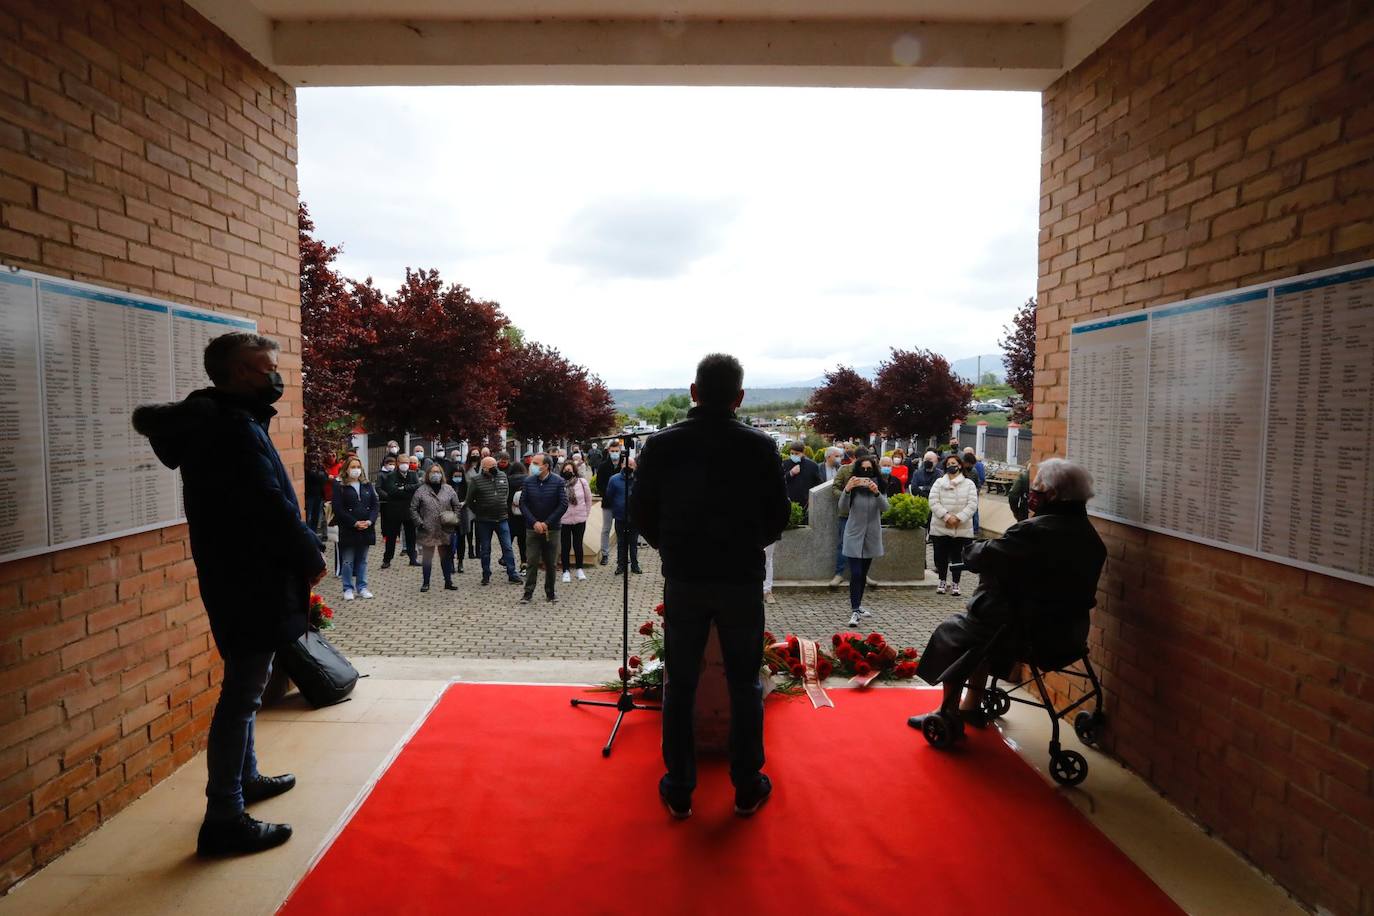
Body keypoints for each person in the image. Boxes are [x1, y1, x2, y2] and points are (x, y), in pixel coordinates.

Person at [132, 331, 317, 856]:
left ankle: (248, 778)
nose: (275, 377)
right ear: (238, 374)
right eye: (266, 368)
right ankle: (224, 816)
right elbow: (268, 503)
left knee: (246, 687)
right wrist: (309, 551)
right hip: (250, 579)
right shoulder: (233, 427)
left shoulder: (216, 420)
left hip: (234, 575)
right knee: (241, 695)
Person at [631, 353, 790, 821]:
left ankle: (679, 788)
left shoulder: (661, 446)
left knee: (679, 683)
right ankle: (746, 786)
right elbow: (778, 517)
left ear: (694, 392)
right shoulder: (760, 447)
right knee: (744, 683)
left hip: (685, 578)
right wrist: (748, 545)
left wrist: (669, 548)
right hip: (741, 579)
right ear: (739, 398)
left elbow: (642, 513)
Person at [908, 459, 1106, 736]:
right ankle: (971, 705)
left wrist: (971, 552)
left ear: (1051, 493)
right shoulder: (1090, 536)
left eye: (1036, 487)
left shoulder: (1033, 531)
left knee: (954, 633)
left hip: (1024, 632)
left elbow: (986, 554)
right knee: (982, 634)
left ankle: (948, 711)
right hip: (1069, 633)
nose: (1032, 493)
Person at [838, 455, 889, 627]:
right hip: (853, 534)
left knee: (863, 574)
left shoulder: (879, 486)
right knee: (857, 573)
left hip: (871, 535)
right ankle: (854, 610)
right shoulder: (853, 486)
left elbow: (885, 508)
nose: (866, 472)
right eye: (863, 469)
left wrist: (876, 492)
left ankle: (858, 606)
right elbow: (842, 508)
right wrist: (847, 490)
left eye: (869, 469)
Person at [520, 454, 568, 604]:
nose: (532, 465)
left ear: (546, 466)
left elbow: (563, 504)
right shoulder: (528, 481)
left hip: (552, 529)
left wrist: (547, 523)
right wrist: (534, 522)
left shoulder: (558, 481)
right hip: (532, 528)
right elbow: (523, 504)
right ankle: (528, 593)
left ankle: (550, 593)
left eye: (535, 463)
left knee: (551, 562)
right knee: (532, 561)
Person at [929, 453, 978, 596]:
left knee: (957, 556)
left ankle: (956, 583)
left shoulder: (969, 484)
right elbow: (933, 501)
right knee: (940, 556)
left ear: (960, 465)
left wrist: (958, 518)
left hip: (961, 527)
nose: (952, 466)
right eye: (949, 464)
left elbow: (972, 504)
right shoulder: (939, 483)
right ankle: (942, 580)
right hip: (941, 526)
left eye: (954, 463)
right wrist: (946, 516)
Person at [409, 460, 461, 592]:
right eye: (433, 472)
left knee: (446, 557)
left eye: (438, 472)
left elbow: (457, 506)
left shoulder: (448, 489)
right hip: (428, 529)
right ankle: (426, 582)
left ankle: (448, 581)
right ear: (428, 474)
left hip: (445, 529)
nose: (435, 474)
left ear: (442, 474)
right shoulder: (421, 490)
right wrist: (420, 523)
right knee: (427, 558)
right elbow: (413, 508)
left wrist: (454, 518)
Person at [332, 455, 378, 601]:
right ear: (346, 469)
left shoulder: (367, 485)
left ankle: (362, 587)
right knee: (347, 560)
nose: (356, 470)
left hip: (366, 528)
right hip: (348, 529)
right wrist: (354, 523)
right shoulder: (340, 486)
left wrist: (370, 521)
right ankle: (347, 588)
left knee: (363, 559)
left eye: (358, 467)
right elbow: (338, 509)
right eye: (353, 467)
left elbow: (375, 505)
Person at [469, 456, 521, 585]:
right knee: (485, 549)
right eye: (491, 466)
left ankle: (512, 573)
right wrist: (479, 511)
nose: (494, 468)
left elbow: (506, 493)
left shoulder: (502, 476)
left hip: (502, 518)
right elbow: (470, 500)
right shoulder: (476, 480)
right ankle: (486, 574)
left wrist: (502, 504)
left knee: (507, 547)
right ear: (484, 468)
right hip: (484, 521)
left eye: (495, 465)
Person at [827, 446, 871, 588]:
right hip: (847, 513)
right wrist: (847, 495)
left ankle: (863, 574)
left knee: (864, 544)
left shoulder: (870, 469)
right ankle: (839, 573)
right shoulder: (844, 470)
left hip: (864, 513)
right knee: (843, 544)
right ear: (854, 458)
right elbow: (835, 488)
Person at [378, 455, 420, 568]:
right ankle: (387, 559)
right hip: (394, 511)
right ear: (397, 463)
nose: (405, 464)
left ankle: (413, 558)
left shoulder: (413, 474)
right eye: (402, 462)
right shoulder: (391, 476)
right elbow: (392, 491)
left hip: (409, 510)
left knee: (411, 536)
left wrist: (404, 488)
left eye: (407, 462)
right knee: (391, 537)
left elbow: (418, 487)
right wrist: (407, 490)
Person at [604, 456, 640, 575]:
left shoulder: (638, 479)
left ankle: (635, 565)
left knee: (633, 543)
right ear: (622, 465)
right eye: (627, 465)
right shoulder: (614, 480)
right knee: (621, 543)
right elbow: (609, 496)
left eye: (631, 465)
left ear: (635, 466)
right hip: (620, 517)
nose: (629, 467)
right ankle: (621, 565)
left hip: (634, 517)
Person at [559, 459, 592, 582]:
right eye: (565, 470)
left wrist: (586, 514)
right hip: (564, 520)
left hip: (579, 519)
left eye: (570, 470)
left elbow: (588, 499)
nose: (567, 471)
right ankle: (566, 571)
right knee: (565, 546)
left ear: (574, 471)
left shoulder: (581, 482)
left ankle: (579, 569)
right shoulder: (559, 483)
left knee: (578, 545)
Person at [596, 439, 624, 565]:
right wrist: (607, 495)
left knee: (622, 530)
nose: (614, 453)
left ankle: (623, 556)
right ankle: (605, 554)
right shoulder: (603, 466)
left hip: (621, 503)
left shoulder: (624, 465)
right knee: (606, 529)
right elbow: (599, 484)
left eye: (616, 451)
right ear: (608, 451)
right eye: (612, 451)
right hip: (608, 503)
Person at [501, 451, 528, 572]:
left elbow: (503, 497)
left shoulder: (507, 480)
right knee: (523, 542)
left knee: (508, 540)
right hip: (524, 516)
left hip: (510, 515)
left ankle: (506, 559)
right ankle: (524, 562)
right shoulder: (528, 480)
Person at [782, 441, 822, 519]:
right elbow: (779, 481)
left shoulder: (812, 465)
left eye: (796, 454)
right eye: (792, 453)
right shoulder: (784, 464)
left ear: (803, 453)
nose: (793, 455)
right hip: (788, 502)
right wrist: (790, 473)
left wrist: (812, 499)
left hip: (805, 503)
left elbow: (818, 483)